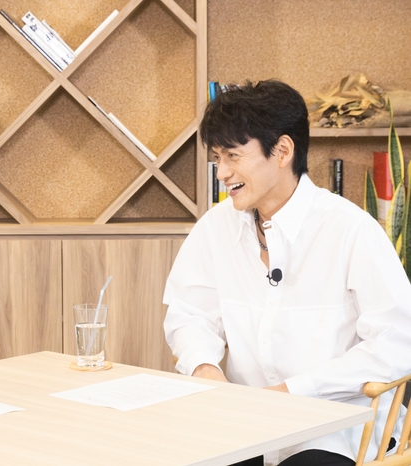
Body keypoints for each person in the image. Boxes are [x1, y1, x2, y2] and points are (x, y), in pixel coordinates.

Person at [163, 80, 411, 466]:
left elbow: (397, 341)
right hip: (246, 426)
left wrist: (293, 392)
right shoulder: (214, 227)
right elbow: (189, 314)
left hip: (336, 430)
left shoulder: (350, 229)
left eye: (233, 156)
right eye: (217, 158)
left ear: (282, 151)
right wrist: (204, 367)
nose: (222, 172)